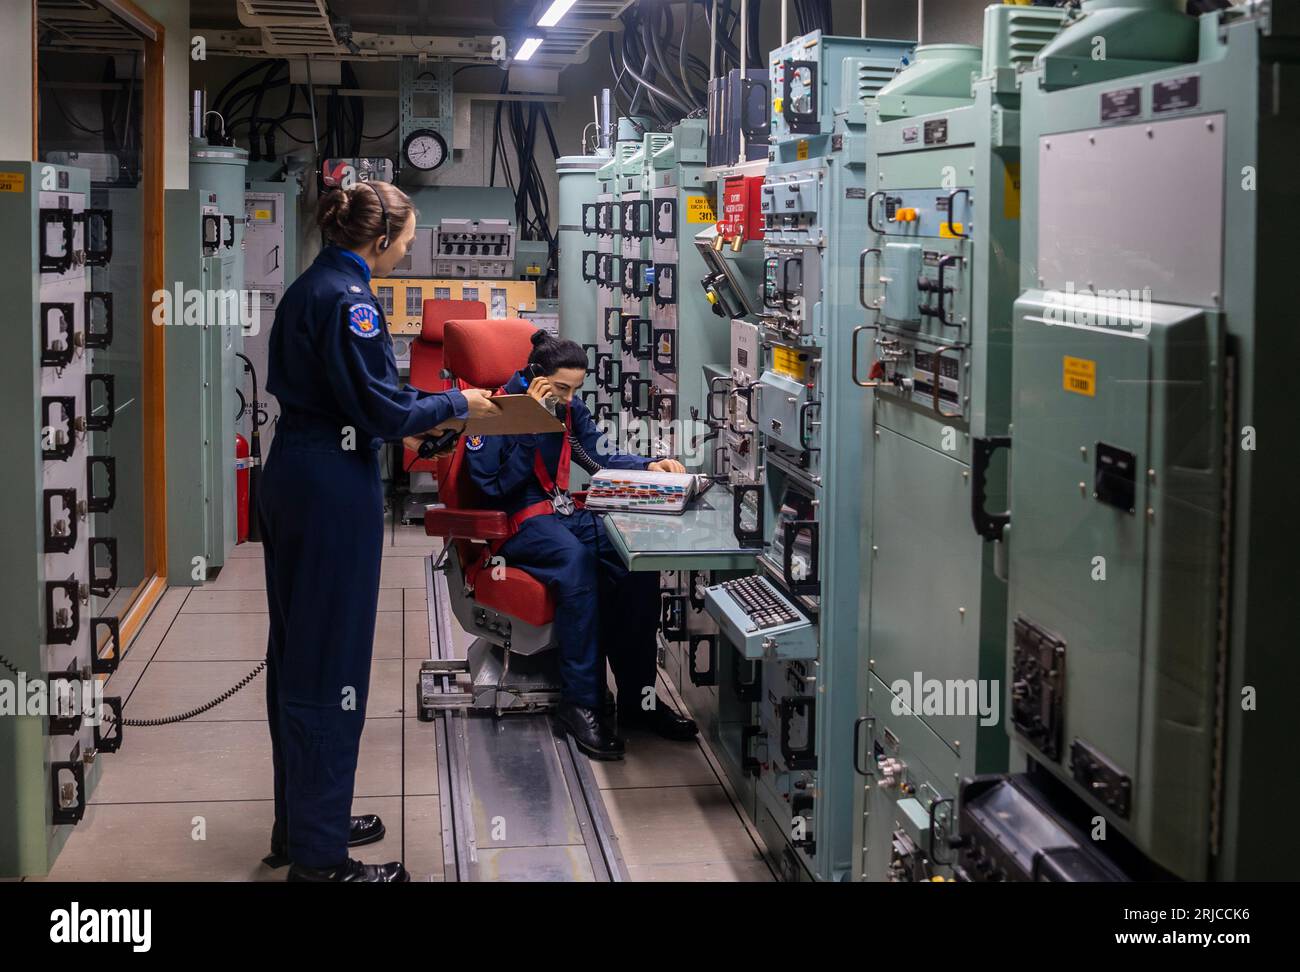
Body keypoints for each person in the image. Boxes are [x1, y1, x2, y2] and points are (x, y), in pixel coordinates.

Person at [258, 181, 500, 882]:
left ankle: (304, 824)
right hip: (330, 485)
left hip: (298, 473)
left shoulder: (316, 283)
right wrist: (462, 401)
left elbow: (367, 398)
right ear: (381, 238)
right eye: (407, 235)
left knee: (296, 657)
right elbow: (378, 408)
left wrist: (434, 407)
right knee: (330, 666)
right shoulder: (353, 300)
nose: (408, 247)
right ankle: (322, 862)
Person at [465, 331, 698, 759]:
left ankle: (638, 701)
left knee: (634, 562)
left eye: (576, 389)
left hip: (562, 513)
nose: (571, 398)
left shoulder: (568, 407)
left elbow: (598, 453)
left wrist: (649, 465)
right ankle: (581, 705)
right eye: (563, 389)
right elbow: (493, 488)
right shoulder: (492, 411)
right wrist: (533, 423)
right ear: (536, 377)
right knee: (577, 567)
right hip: (519, 522)